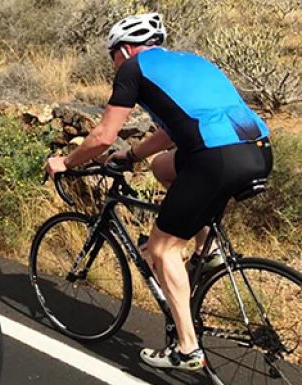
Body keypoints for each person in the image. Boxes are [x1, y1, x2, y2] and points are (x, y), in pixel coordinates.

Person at [45, 12, 272, 371]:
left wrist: (67, 163)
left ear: (125, 49)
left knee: (161, 249)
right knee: (162, 166)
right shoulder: (191, 62)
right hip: (257, 150)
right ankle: (206, 250)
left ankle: (186, 349)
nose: (113, 64)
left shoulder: (133, 69)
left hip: (214, 159)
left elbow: (103, 135)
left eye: (112, 56)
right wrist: (132, 155)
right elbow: (171, 133)